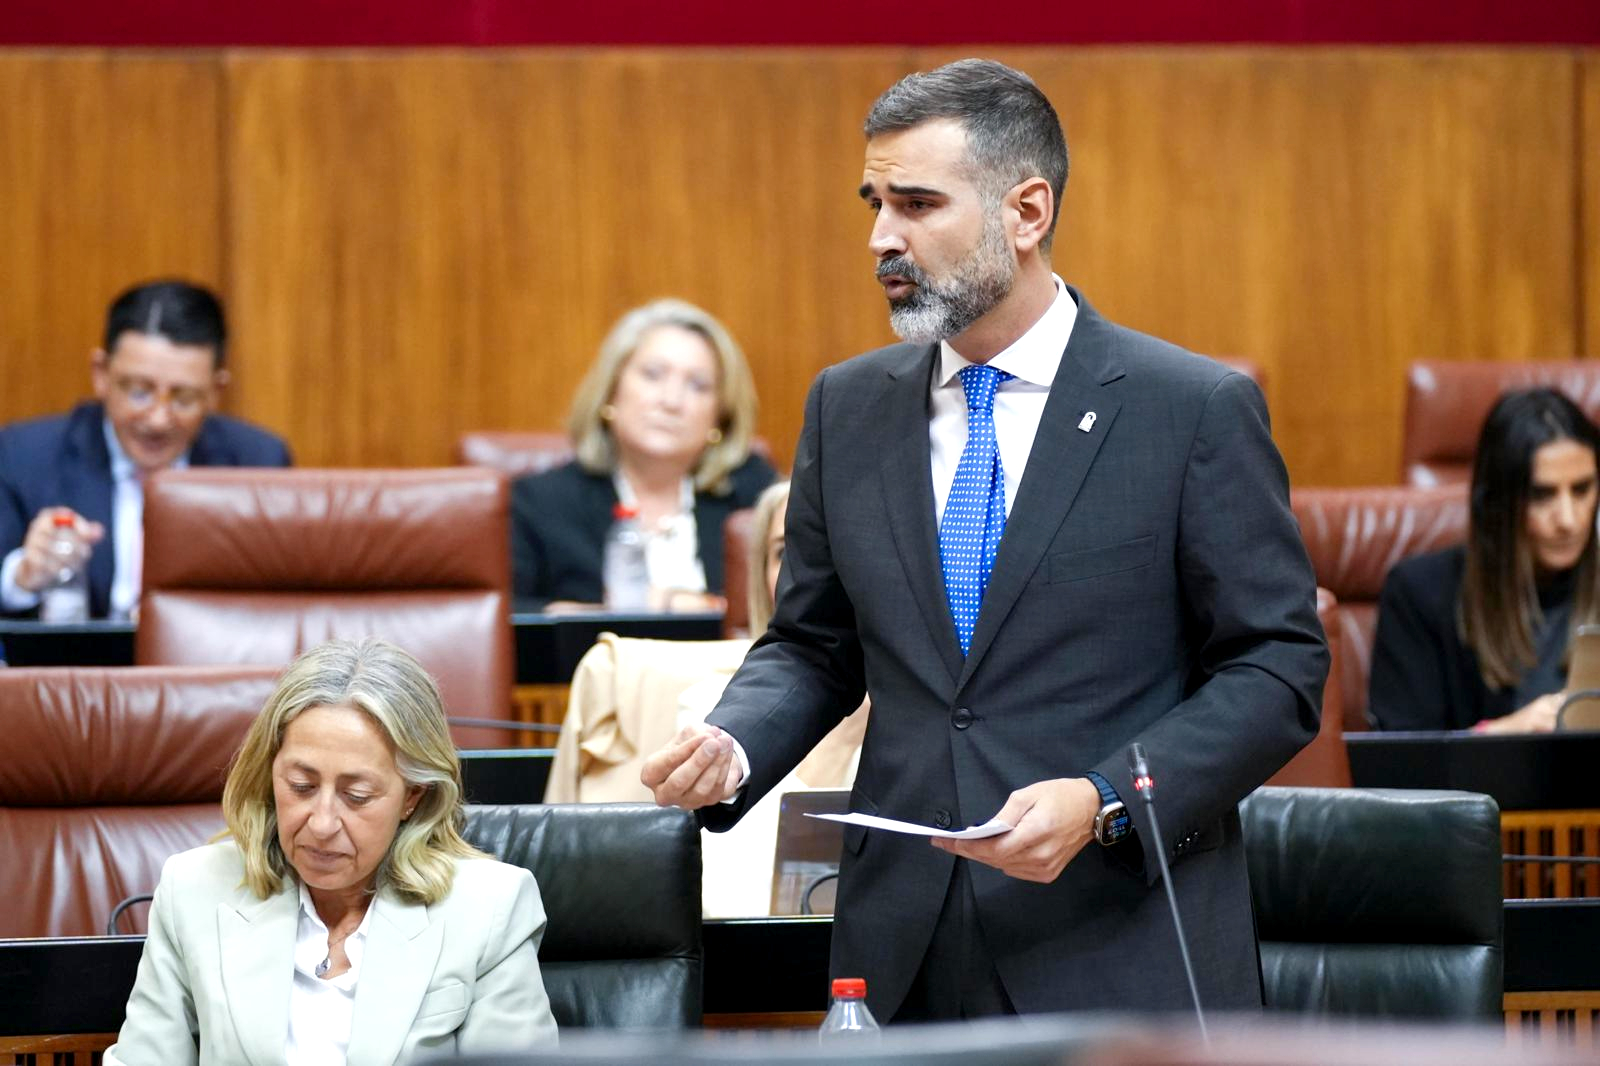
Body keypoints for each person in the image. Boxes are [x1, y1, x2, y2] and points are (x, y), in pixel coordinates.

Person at [642, 59, 1325, 1021]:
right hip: (902, 944)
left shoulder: (1191, 410)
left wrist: (1105, 803)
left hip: (1117, 940)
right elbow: (814, 645)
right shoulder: (849, 405)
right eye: (875, 202)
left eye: (919, 203)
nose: (884, 237)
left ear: (1028, 211)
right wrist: (735, 740)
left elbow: (1277, 668)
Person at [105, 638, 558, 1064]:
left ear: (413, 796)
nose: (321, 824)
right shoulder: (196, 889)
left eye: (356, 796)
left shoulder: (490, 906)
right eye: (300, 786)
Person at [0, 279, 291, 620]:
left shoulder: (258, 464)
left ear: (215, 391)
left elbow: (274, 612)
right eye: (139, 391)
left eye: (184, 398)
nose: (157, 419)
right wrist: (24, 576)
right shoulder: (24, 456)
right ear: (101, 374)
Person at [675, 480, 869, 916]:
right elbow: (727, 903)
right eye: (788, 553)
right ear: (760, 576)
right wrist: (837, 739)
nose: (821, 575)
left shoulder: (934, 715)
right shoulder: (708, 711)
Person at [510, 298, 775, 611]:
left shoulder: (757, 495)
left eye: (698, 385)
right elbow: (508, 620)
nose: (671, 400)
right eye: (653, 375)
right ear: (610, 392)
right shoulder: (541, 502)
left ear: (721, 416)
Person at [1370, 388, 1600, 733]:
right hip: (1485, 787)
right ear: (1497, 503)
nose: (1568, 519)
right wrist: (1501, 735)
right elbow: (1402, 766)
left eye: (1582, 490)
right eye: (1541, 495)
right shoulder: (1419, 594)